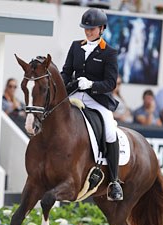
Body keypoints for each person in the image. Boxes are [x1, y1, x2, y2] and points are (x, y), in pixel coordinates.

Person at [61, 8, 123, 201]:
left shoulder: (109, 52)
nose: (88, 32)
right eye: (86, 29)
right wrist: (63, 85)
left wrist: (92, 85)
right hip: (75, 95)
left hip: (97, 100)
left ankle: (114, 181)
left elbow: (111, 83)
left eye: (92, 29)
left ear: (102, 28)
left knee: (110, 131)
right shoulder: (75, 47)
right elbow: (65, 71)